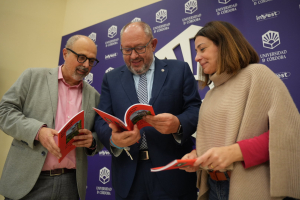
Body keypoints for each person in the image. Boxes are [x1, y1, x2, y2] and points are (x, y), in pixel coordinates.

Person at [181, 21, 300, 200]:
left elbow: (289, 134)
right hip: (213, 188)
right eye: (196, 52)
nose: (197, 57)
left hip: (249, 187)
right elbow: (220, 140)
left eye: (202, 49)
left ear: (224, 46)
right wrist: (198, 155)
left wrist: (236, 152)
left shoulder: (258, 75)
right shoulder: (211, 95)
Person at [94, 21, 201, 200]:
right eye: (127, 50)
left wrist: (178, 124)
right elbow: (100, 121)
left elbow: (195, 109)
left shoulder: (179, 70)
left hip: (173, 174)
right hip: (128, 178)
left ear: (153, 44)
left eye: (139, 48)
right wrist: (113, 139)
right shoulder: (110, 79)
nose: (133, 56)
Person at [0, 35, 103, 200]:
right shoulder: (32, 77)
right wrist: (38, 131)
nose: (86, 65)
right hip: (27, 182)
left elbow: (99, 135)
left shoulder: (95, 97)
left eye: (91, 61)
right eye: (81, 57)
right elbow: (4, 111)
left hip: (71, 184)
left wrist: (92, 141)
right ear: (65, 53)